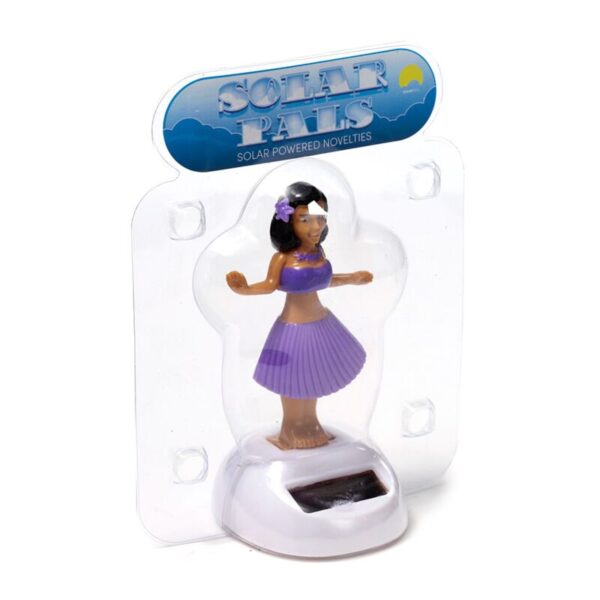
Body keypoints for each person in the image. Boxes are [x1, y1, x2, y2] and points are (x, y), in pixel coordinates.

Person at [226, 181, 373, 450]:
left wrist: (353, 277)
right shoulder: (282, 258)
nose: (315, 226)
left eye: (320, 218)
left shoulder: (318, 252)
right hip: (292, 328)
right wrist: (244, 289)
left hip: (321, 325)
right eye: (305, 219)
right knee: (293, 381)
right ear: (288, 222)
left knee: (312, 378)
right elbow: (270, 285)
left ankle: (310, 422)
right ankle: (291, 426)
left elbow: (324, 281)